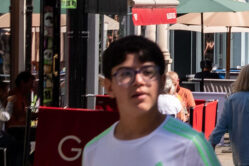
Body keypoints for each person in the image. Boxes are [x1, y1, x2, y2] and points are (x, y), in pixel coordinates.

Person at [83, 36, 219, 166]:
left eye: (148, 72)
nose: (138, 81)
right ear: (109, 86)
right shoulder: (94, 150)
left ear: (162, 82)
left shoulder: (190, 145)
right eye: (125, 73)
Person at [6, 71, 34, 155]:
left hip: (18, 130)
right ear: (22, 82)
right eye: (30, 83)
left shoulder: (21, 96)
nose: (32, 87)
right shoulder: (15, 96)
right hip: (15, 131)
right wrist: (37, 114)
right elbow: (20, 117)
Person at [0, 81, 18, 166]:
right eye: (6, 90)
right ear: (0, 91)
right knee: (15, 144)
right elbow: (5, 117)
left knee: (9, 139)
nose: (8, 93)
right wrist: (10, 102)